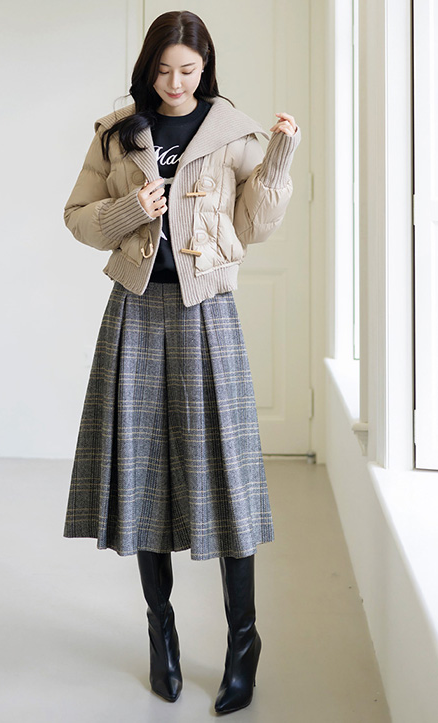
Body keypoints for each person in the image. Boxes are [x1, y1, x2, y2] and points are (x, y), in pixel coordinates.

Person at [62, 9, 301, 715]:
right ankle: (160, 632)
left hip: (207, 312)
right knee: (144, 472)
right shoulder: (118, 132)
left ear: (205, 69)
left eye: (187, 70)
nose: (175, 82)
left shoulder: (234, 132)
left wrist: (279, 160)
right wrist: (130, 210)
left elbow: (253, 227)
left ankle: (243, 643)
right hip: (136, 310)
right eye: (164, 70)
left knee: (227, 478)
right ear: (149, 68)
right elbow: (77, 216)